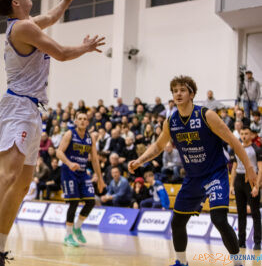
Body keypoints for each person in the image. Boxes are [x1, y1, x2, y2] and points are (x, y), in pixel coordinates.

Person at [0, 0, 105, 266]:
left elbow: (51, 17)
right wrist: (86, 47)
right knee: (7, 175)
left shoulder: (27, 24)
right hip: (19, 108)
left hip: (31, 109)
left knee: (23, 184)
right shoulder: (22, 28)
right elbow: (62, 53)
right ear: (15, 2)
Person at [128, 75, 257, 266]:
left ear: (191, 94)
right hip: (193, 178)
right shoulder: (170, 122)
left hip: (215, 174)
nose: (178, 94)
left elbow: (233, 140)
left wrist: (248, 167)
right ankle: (181, 262)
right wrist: (139, 160)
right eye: (175, 91)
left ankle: (238, 263)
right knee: (177, 222)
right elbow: (158, 146)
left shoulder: (207, 115)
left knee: (219, 219)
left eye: (182, 90)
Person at [56, 112, 105, 247]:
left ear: (88, 122)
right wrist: (70, 163)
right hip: (69, 172)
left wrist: (100, 178)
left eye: (85, 119)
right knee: (74, 202)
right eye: (80, 119)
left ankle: (77, 227)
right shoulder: (69, 134)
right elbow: (59, 152)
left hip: (82, 172)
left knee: (90, 201)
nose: (82, 121)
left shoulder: (90, 138)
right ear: (76, 122)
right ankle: (68, 235)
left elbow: (94, 159)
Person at [229, 126, 262, 250]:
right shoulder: (236, 148)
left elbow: (261, 169)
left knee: (255, 212)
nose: (243, 136)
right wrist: (232, 185)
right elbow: (233, 168)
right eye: (242, 133)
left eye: (246, 133)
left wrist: (257, 186)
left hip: (251, 180)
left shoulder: (256, 149)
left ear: (251, 135)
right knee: (241, 212)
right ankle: (241, 240)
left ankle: (257, 242)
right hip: (239, 180)